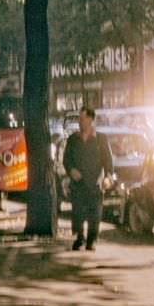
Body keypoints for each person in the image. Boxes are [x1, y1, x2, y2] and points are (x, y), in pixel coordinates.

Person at [62, 106, 113, 251]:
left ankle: (91, 240)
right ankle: (79, 238)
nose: (79, 121)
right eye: (79, 118)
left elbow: (108, 162)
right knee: (77, 212)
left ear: (91, 120)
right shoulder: (73, 139)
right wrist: (71, 170)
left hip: (95, 183)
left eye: (82, 118)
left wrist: (108, 178)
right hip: (78, 183)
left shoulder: (101, 139)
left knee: (94, 214)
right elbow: (66, 159)